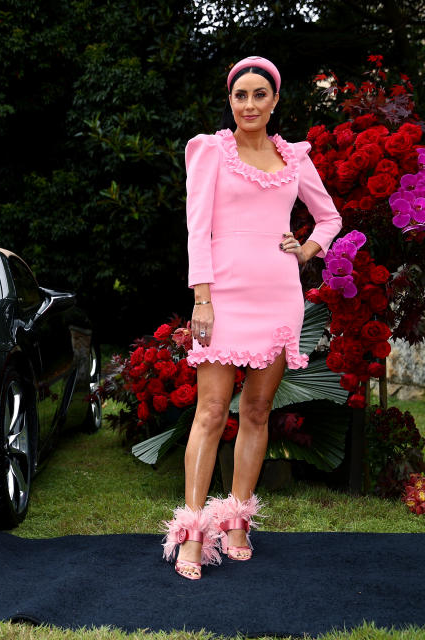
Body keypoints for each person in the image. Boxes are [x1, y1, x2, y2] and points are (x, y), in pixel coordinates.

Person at [162, 56, 342, 580]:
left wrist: (307, 250)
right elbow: (197, 230)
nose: (249, 105)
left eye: (259, 94)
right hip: (222, 295)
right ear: (230, 100)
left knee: (259, 410)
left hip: (279, 292)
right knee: (211, 411)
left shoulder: (295, 158)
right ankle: (193, 529)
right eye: (240, 95)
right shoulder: (210, 151)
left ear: (275, 100)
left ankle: (237, 518)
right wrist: (202, 298)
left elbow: (329, 217)